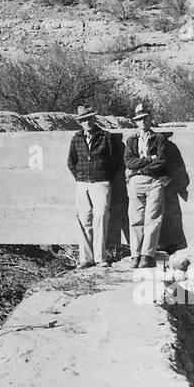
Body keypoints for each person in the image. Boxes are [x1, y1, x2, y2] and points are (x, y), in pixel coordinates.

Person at [124, 102, 187, 268]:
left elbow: (161, 161)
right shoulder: (131, 140)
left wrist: (142, 166)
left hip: (154, 181)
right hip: (136, 181)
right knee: (135, 219)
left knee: (152, 219)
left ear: (151, 119)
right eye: (139, 119)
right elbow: (129, 162)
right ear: (135, 122)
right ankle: (135, 255)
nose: (143, 121)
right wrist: (148, 160)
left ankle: (147, 255)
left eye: (146, 118)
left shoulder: (159, 139)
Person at [67, 104, 120, 268]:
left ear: (94, 119)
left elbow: (115, 161)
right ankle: (86, 259)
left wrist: (105, 176)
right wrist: (80, 176)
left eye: (89, 119)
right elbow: (71, 162)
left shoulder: (106, 137)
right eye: (83, 120)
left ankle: (100, 257)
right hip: (82, 184)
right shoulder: (76, 138)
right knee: (84, 220)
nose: (86, 123)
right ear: (80, 123)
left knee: (101, 217)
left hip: (101, 183)